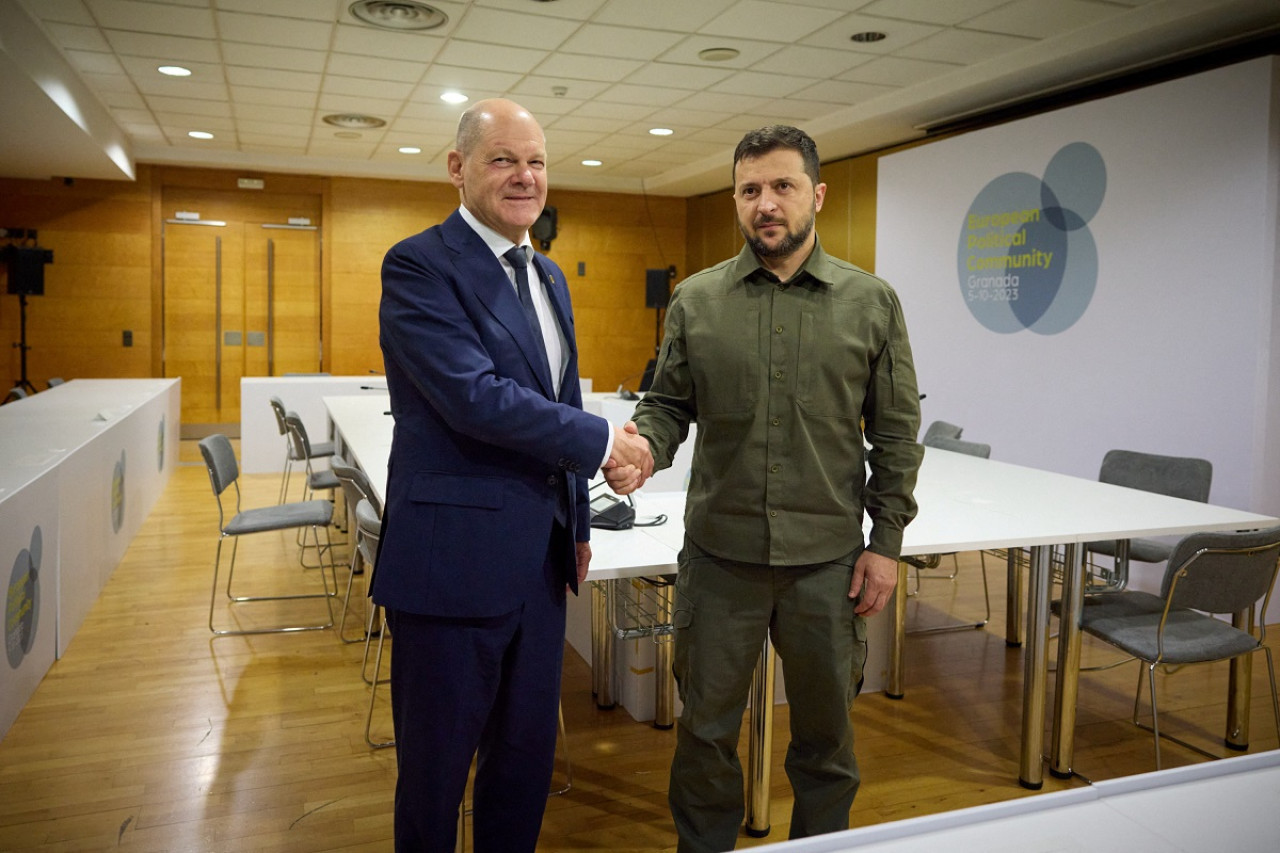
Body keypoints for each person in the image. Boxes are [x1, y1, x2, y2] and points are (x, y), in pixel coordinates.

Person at [608, 125, 923, 852]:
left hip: (829, 566)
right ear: (737, 201)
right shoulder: (695, 300)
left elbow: (898, 433)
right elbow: (668, 404)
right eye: (751, 190)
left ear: (815, 194)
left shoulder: (871, 303)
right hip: (721, 561)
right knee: (705, 737)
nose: (766, 204)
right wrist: (644, 448)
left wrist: (887, 544)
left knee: (826, 743)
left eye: (782, 186)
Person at [373, 97, 652, 852]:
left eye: (535, 161)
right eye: (503, 159)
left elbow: (555, 398)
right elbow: (474, 399)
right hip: (449, 568)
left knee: (524, 764)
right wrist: (604, 442)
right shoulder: (420, 264)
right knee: (435, 778)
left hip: (539, 562)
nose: (524, 176)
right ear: (458, 169)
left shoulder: (550, 276)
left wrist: (579, 523)